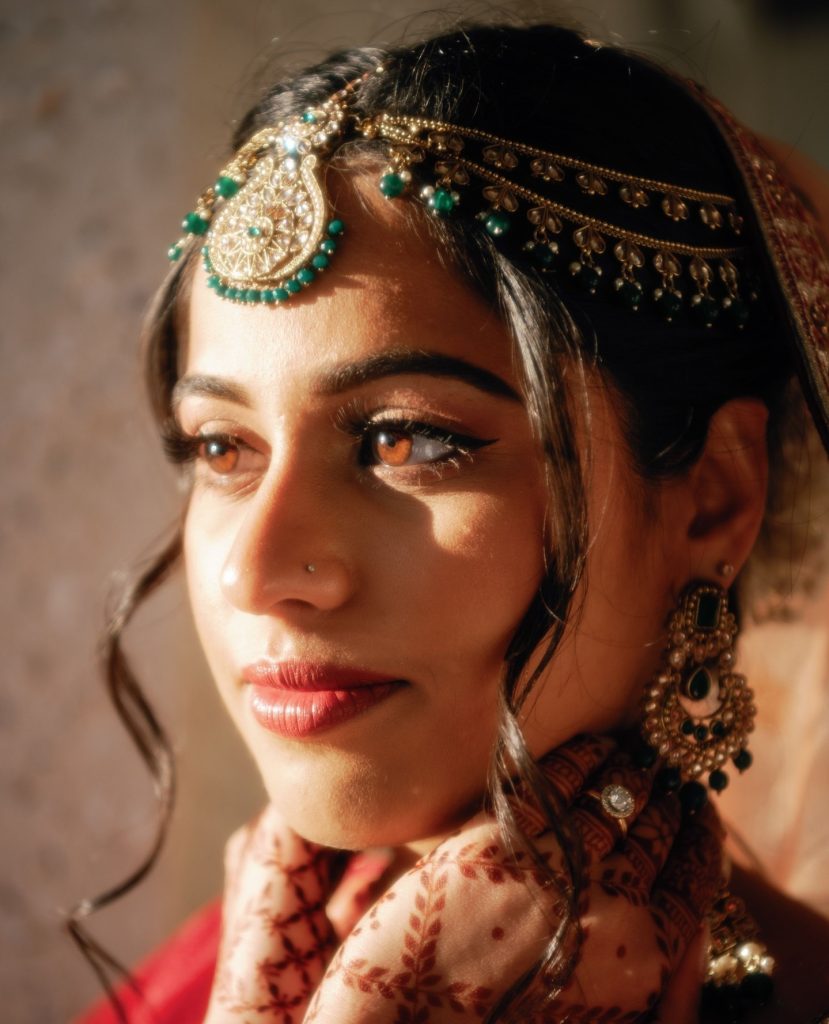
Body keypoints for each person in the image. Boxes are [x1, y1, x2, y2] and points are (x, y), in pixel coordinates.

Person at [72, 22, 829, 1024]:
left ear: (713, 496)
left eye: (409, 441)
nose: (252, 572)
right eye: (223, 447)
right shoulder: (235, 962)